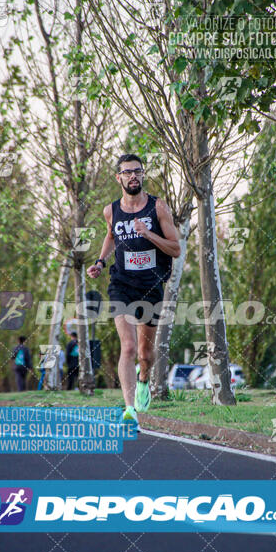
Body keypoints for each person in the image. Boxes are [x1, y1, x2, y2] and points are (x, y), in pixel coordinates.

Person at [87, 154, 180, 429]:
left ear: (143, 175)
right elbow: (111, 235)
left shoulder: (157, 207)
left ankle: (143, 380)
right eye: (127, 172)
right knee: (127, 347)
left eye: (137, 171)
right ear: (119, 178)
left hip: (151, 285)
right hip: (121, 284)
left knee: (144, 355)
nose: (133, 176)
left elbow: (176, 249)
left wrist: (148, 234)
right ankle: (129, 410)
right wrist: (100, 262)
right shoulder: (110, 210)